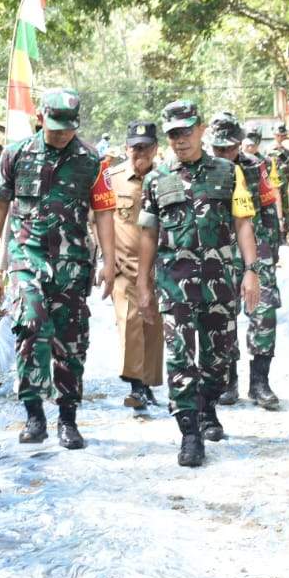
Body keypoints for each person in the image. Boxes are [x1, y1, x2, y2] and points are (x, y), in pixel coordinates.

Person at [0, 89, 117, 449]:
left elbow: (103, 212)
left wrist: (109, 261)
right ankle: (34, 415)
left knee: (71, 341)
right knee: (31, 325)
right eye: (55, 127)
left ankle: (68, 419)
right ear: (41, 117)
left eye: (67, 129)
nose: (61, 135)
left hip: (72, 266)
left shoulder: (92, 160)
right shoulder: (17, 154)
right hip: (27, 258)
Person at [136, 100, 262, 467]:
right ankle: (189, 433)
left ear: (201, 129)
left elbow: (243, 223)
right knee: (179, 358)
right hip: (174, 286)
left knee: (219, 358)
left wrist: (251, 271)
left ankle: (208, 409)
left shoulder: (228, 172)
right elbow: (148, 234)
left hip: (220, 284)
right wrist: (143, 285)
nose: (180, 140)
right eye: (173, 133)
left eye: (186, 131)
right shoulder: (156, 179)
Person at [208, 112, 283, 410]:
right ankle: (229, 382)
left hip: (257, 251)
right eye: (219, 149)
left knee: (264, 315)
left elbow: (268, 209)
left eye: (230, 147)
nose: (225, 153)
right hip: (221, 253)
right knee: (224, 318)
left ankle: (260, 383)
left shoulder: (257, 167)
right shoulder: (203, 170)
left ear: (240, 143)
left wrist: (271, 251)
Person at [108, 121, 165, 410]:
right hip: (124, 265)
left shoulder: (167, 177)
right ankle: (136, 385)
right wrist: (104, 260)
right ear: (126, 147)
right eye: (134, 147)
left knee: (153, 326)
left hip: (160, 267)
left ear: (155, 148)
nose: (138, 152)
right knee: (130, 322)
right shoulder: (112, 178)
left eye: (145, 147)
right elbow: (98, 220)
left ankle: (148, 383)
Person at [268, 124, 289, 240]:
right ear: (274, 135)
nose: (281, 137)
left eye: (283, 135)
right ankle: (280, 235)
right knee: (276, 209)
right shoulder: (269, 150)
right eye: (278, 135)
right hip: (275, 184)